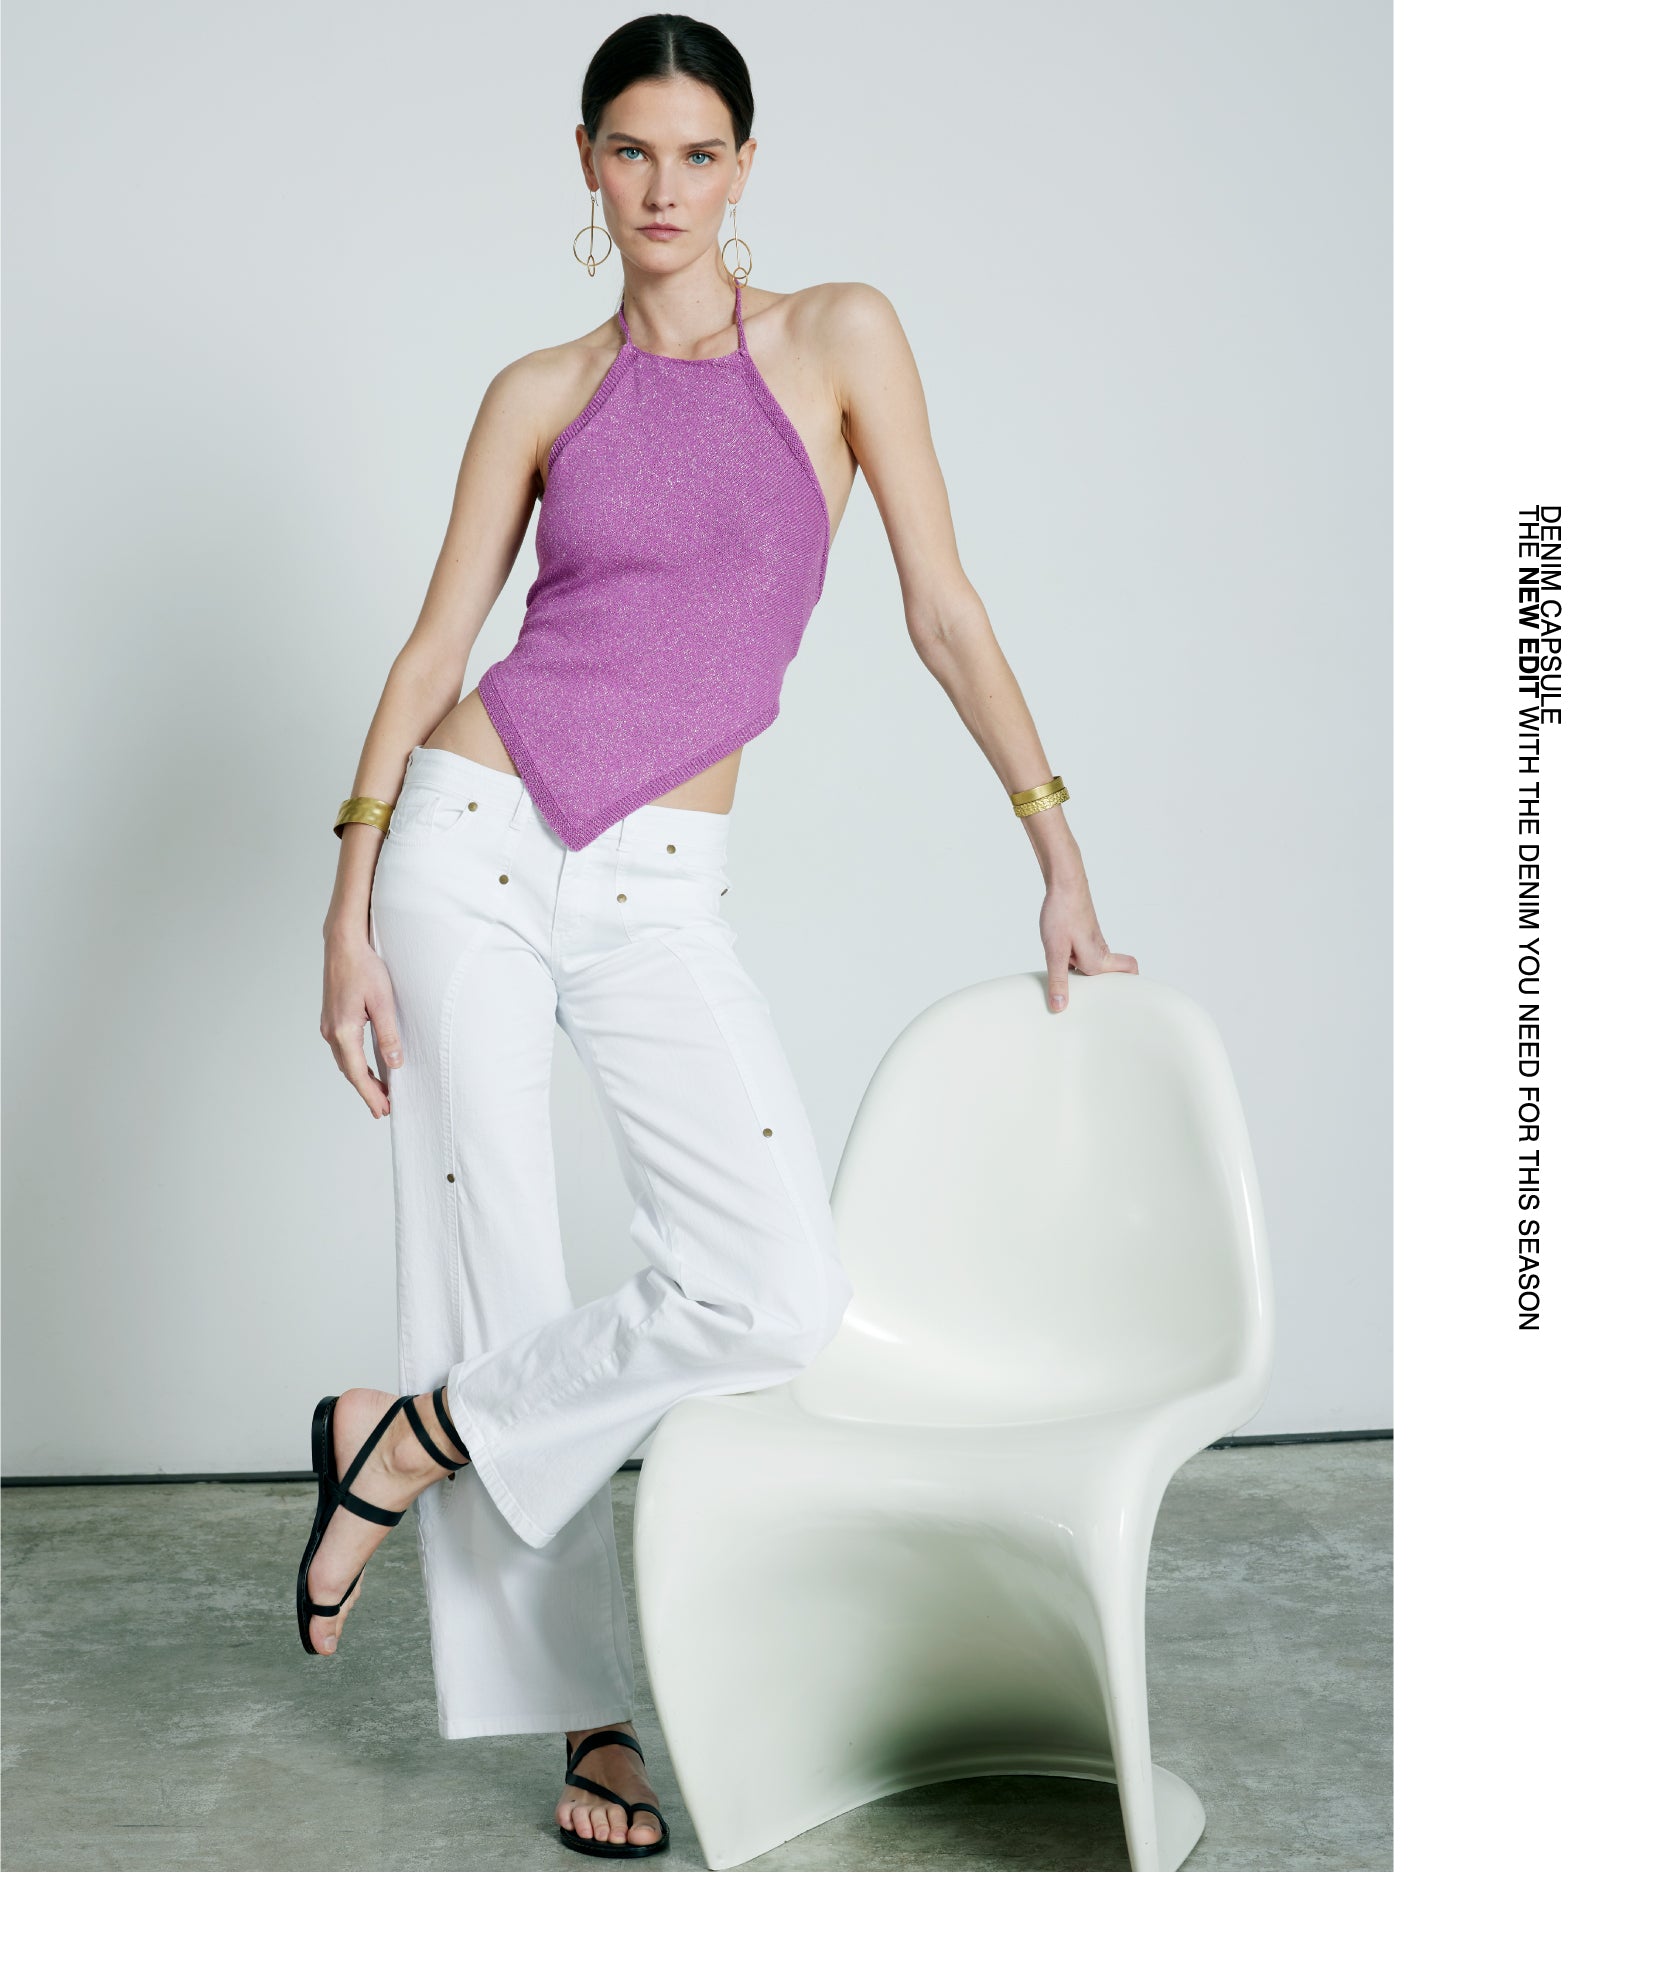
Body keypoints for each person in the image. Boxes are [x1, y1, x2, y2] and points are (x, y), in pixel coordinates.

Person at [302, 12, 1136, 1861]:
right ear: (585, 164)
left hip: (661, 888)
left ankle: (407, 1432)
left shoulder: (839, 338)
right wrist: (348, 901)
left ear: (746, 165)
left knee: (771, 1284)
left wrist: (1054, 843)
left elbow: (940, 604)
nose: (664, 188)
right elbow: (437, 645)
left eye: (698, 154)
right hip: (470, 845)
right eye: (632, 151)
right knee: (500, 1285)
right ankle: (588, 1720)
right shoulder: (539, 389)